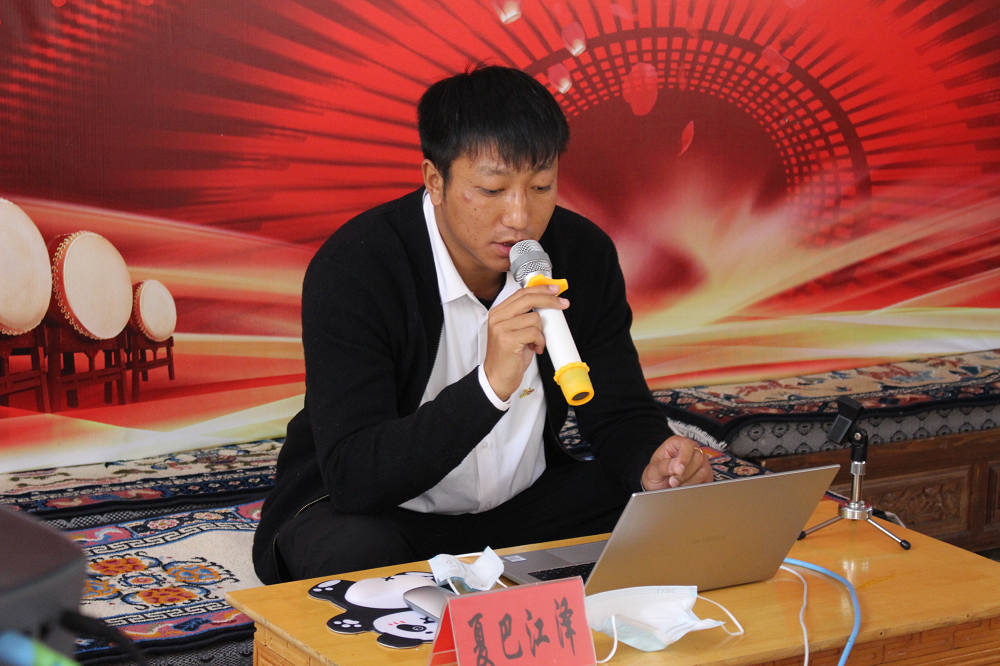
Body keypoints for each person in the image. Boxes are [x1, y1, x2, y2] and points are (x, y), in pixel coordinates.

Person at [252, 64, 713, 585]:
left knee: (665, 512)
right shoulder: (356, 268)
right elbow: (357, 476)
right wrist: (488, 388)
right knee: (345, 554)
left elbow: (619, 413)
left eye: (540, 186)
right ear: (436, 181)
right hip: (388, 515)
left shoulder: (583, 254)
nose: (520, 216)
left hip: (521, 510)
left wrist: (653, 461)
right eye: (492, 190)